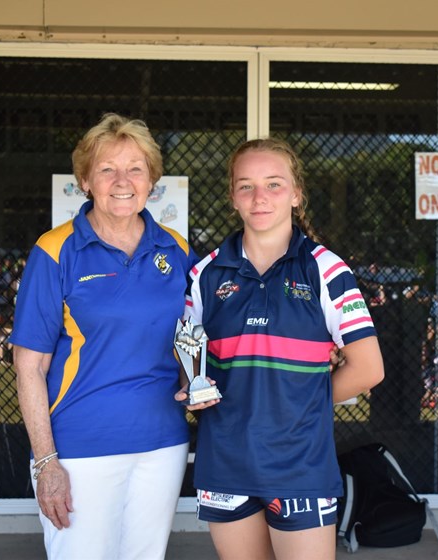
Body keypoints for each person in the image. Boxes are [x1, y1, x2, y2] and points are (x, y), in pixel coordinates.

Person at [176, 138, 384, 560]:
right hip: (226, 461)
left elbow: (368, 368)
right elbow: (190, 363)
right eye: (246, 185)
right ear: (233, 195)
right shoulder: (204, 274)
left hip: (299, 463)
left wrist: (300, 403)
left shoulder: (327, 269)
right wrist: (191, 389)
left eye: (274, 184)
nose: (260, 197)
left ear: (296, 192)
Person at [9, 113, 197, 560]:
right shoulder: (55, 250)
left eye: (135, 168)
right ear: (85, 180)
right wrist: (46, 462)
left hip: (162, 444)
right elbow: (29, 364)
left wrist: (195, 378)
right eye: (107, 169)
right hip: (80, 447)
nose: (122, 181)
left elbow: (190, 338)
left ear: (152, 179)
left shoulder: (177, 249)